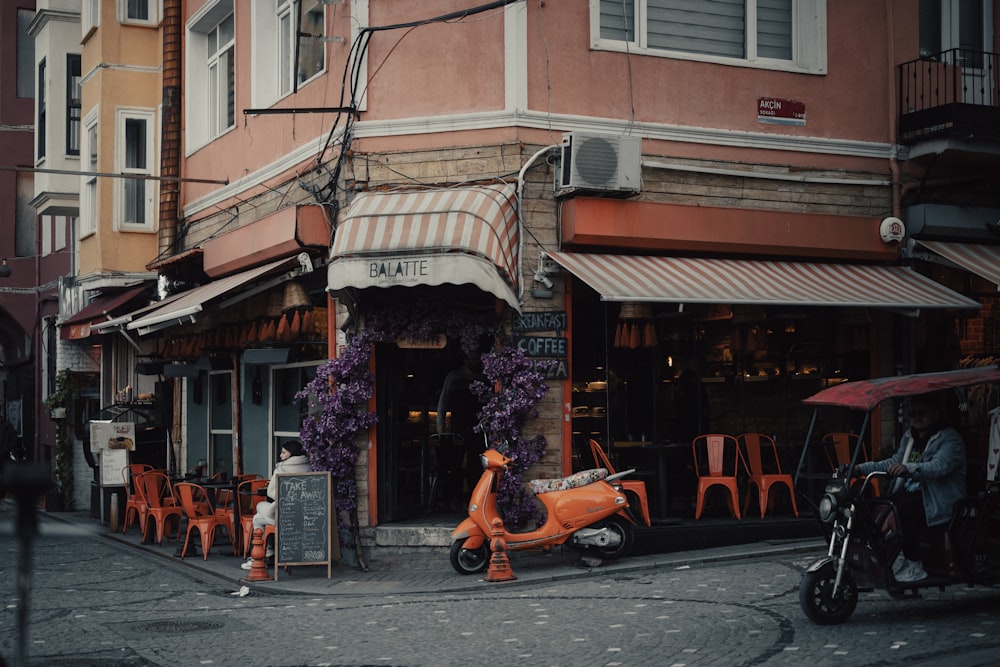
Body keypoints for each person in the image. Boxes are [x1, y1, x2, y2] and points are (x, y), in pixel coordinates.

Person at [853, 393, 967, 583]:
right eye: (912, 414)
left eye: (922, 413)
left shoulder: (949, 439)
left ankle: (914, 564)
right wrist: (859, 468)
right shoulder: (910, 437)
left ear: (935, 413)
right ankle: (874, 560)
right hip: (910, 495)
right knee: (870, 506)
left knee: (903, 509)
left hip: (939, 501)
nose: (916, 418)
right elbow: (894, 462)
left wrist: (909, 469)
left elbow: (940, 466)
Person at [241, 441, 310, 569]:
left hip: (286, 517)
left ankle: (262, 556)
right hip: (309, 517)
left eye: (284, 452)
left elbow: (271, 492)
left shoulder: (281, 469)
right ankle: (269, 550)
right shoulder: (310, 468)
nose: (280, 455)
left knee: (258, 515)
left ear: (292, 453)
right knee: (262, 508)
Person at [436, 352, 487, 506]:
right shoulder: (454, 376)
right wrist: (440, 424)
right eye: (473, 357)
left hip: (478, 428)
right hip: (457, 427)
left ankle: (473, 500)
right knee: (453, 464)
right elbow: (443, 400)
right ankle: (452, 499)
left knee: (476, 466)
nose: (477, 360)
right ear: (465, 359)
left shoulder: (483, 378)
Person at [1, 409, 19, 511]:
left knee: (4, 479)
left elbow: (14, 440)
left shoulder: (7, 426)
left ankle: (2, 499)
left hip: (4, 457)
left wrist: (6, 449)